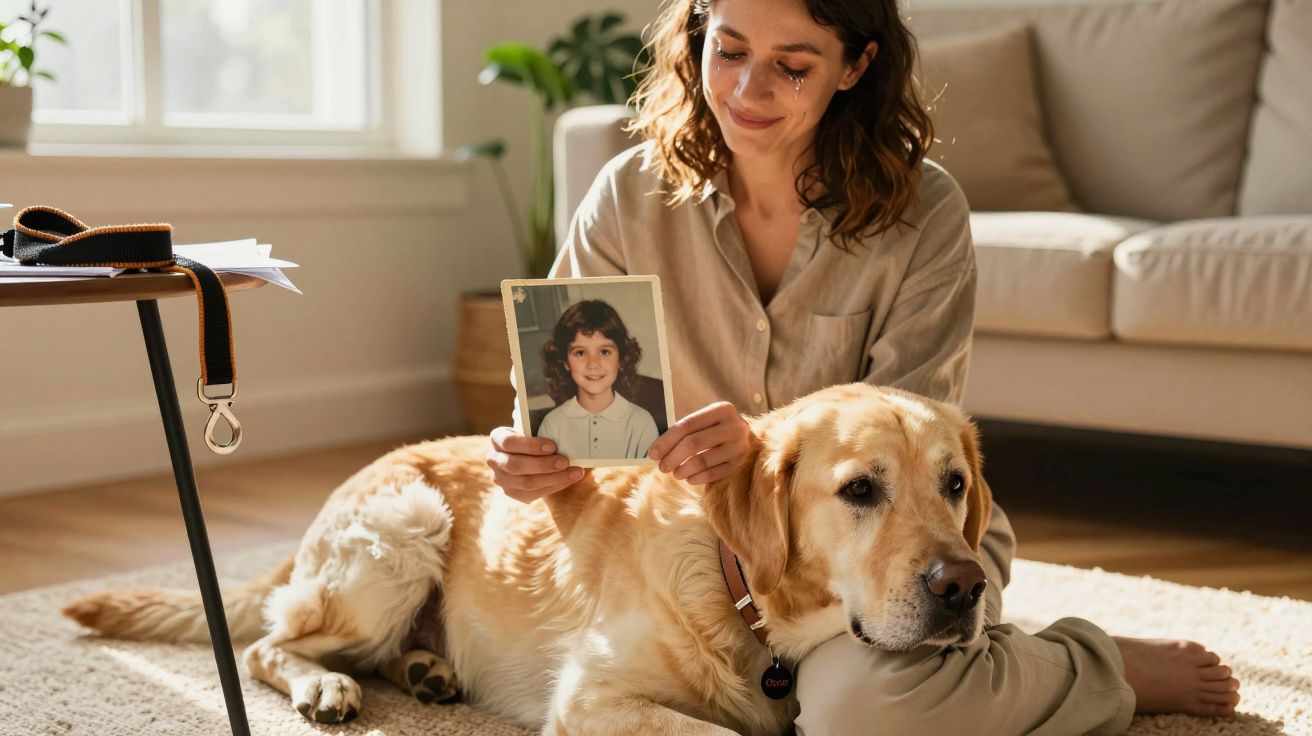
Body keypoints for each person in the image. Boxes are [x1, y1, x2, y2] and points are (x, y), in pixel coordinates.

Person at [486, 0, 1243, 731]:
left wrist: (756, 445)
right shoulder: (627, 196)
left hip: (901, 540)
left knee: (862, 708)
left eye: (791, 67)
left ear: (854, 66)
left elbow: (914, 439)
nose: (748, 90)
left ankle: (1090, 667)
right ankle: (998, 670)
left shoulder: (925, 211)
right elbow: (565, 408)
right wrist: (532, 455)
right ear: (698, 39)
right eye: (730, 50)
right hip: (706, 553)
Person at [535, 299, 659, 460]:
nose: (593, 364)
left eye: (604, 352)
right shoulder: (552, 424)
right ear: (565, 362)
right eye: (580, 353)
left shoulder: (642, 423)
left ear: (621, 359)